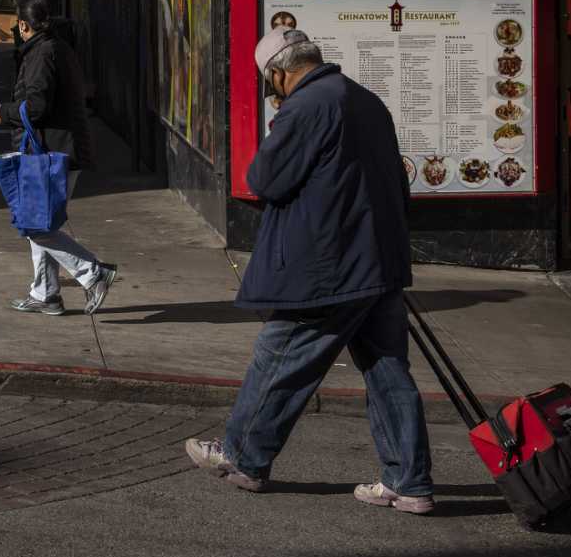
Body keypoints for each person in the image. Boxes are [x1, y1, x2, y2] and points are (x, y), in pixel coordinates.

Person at [185, 28, 433, 514]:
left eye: (270, 82)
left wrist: (279, 129)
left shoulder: (306, 106)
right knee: (387, 370)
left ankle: (242, 456)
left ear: (279, 72)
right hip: (379, 260)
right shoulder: (365, 99)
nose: (273, 90)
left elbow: (265, 179)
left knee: (279, 354)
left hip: (330, 266)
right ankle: (409, 482)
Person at [0, 0, 116, 317]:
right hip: (61, 148)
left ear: (23, 25)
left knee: (36, 226)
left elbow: (35, 106)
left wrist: (3, 112)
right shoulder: (58, 48)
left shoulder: (41, 54)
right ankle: (45, 293)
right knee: (39, 223)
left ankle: (93, 273)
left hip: (52, 152)